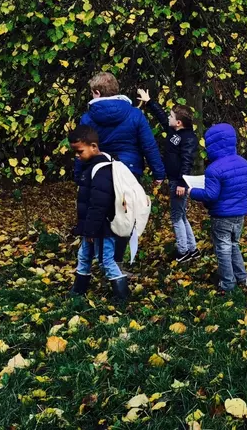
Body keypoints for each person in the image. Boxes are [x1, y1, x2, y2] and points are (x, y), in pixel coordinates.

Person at [75, 72, 165, 267]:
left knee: (100, 213)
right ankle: (117, 263)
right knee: (125, 216)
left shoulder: (88, 118)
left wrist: (78, 175)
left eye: (92, 93)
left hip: (98, 172)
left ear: (97, 92)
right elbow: (149, 145)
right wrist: (158, 173)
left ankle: (102, 259)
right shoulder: (134, 114)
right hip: (129, 172)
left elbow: (82, 148)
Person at [188, 124, 247, 293]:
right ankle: (242, 277)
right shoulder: (244, 164)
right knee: (234, 244)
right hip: (240, 213)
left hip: (221, 215)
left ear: (212, 145)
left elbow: (211, 195)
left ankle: (227, 283)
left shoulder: (214, 169)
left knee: (223, 248)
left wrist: (192, 191)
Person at [68, 125, 130, 302]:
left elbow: (99, 204)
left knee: (105, 261)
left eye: (80, 151)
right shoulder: (92, 166)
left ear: (94, 146)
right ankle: (78, 291)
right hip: (92, 226)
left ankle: (122, 295)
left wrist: (91, 230)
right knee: (84, 255)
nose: (77, 156)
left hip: (102, 228)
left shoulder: (101, 170)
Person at [136, 88, 199, 262]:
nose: (169, 118)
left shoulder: (189, 138)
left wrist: (181, 183)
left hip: (179, 183)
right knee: (181, 215)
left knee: (176, 217)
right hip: (174, 180)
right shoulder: (174, 132)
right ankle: (192, 249)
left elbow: (187, 162)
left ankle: (183, 251)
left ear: (179, 122)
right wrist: (149, 102)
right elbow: (162, 117)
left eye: (172, 117)